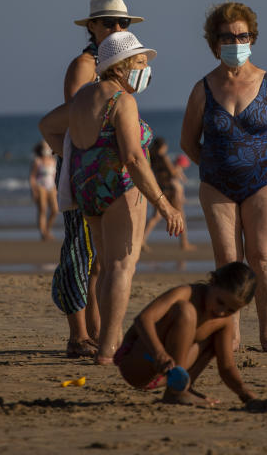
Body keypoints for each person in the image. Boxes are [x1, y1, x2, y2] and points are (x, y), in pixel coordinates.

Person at [41, 31, 185, 364]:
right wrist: (164, 205)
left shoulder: (82, 98)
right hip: (120, 187)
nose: (145, 67)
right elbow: (133, 158)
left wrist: (69, 150)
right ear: (119, 66)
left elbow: (47, 124)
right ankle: (107, 349)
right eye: (139, 61)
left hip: (86, 187)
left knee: (105, 266)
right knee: (122, 266)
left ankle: (111, 338)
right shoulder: (122, 100)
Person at [180, 2, 267, 352]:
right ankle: (230, 334)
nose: (236, 41)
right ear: (215, 42)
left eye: (242, 35)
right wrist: (216, 166)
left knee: (263, 258)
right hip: (216, 187)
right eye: (228, 36)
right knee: (228, 263)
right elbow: (188, 142)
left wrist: (265, 166)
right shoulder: (203, 89)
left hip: (264, 183)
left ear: (253, 38)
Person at [48, 0, 140, 359]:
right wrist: (79, 162)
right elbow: (75, 119)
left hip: (106, 172)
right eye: (108, 22)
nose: (116, 28)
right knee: (78, 251)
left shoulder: (119, 66)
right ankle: (78, 335)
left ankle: (99, 332)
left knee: (102, 258)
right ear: (91, 27)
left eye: (123, 23)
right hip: (82, 168)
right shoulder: (85, 65)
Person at [114, 261, 258, 407]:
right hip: (139, 363)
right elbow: (143, 319)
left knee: (217, 337)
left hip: (164, 377)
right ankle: (176, 392)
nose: (221, 312)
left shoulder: (223, 321)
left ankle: (183, 387)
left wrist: (243, 391)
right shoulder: (187, 293)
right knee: (185, 311)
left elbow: (227, 367)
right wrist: (158, 352)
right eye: (220, 302)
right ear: (212, 282)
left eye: (231, 310)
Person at [143, 138, 195, 252]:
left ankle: (142, 239)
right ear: (163, 147)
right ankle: (184, 243)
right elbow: (173, 173)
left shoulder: (152, 159)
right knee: (180, 216)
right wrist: (179, 168)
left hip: (160, 189)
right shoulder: (164, 158)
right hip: (171, 190)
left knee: (155, 217)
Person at [29, 142, 58, 241]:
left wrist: (57, 189)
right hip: (40, 186)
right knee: (43, 209)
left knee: (55, 210)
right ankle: (43, 233)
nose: (47, 149)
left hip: (51, 186)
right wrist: (34, 190)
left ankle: (47, 230)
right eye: (45, 147)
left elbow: (55, 176)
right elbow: (32, 177)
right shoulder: (38, 161)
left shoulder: (53, 161)